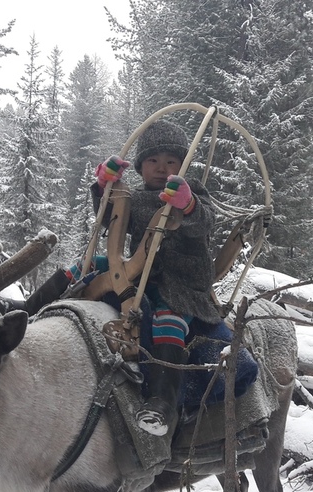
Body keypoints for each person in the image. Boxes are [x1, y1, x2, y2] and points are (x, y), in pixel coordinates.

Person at [24, 120, 223, 437]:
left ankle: (163, 402)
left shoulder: (194, 193)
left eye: (171, 162)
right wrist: (104, 188)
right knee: (86, 265)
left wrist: (188, 205)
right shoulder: (139, 198)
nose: (161, 169)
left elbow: (205, 221)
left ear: (182, 166)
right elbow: (110, 217)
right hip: (136, 271)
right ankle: (25, 310)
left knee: (168, 320)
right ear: (141, 167)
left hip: (182, 282)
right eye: (153, 162)